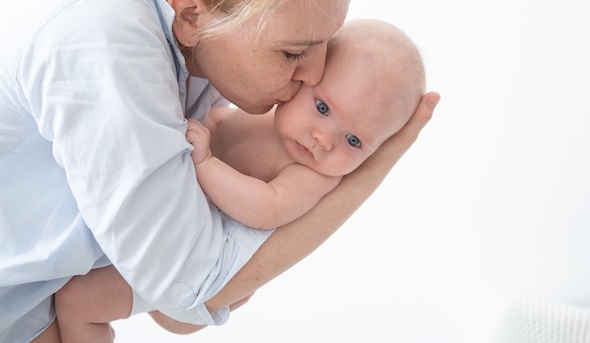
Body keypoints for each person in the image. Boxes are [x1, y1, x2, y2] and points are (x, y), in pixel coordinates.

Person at [0, 0, 439, 341]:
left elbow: (179, 310)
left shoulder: (198, 57)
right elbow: (191, 284)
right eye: (293, 52)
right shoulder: (105, 41)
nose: (317, 74)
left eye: (327, 42)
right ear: (191, 15)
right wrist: (380, 160)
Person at [54, 18, 427, 342]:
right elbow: (221, 121)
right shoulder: (264, 111)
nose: (323, 139)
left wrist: (207, 163)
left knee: (78, 300)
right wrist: (212, 123)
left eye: (353, 140)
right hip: (161, 230)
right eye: (323, 107)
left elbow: (266, 207)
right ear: (304, 74)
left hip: (193, 275)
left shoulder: (311, 176)